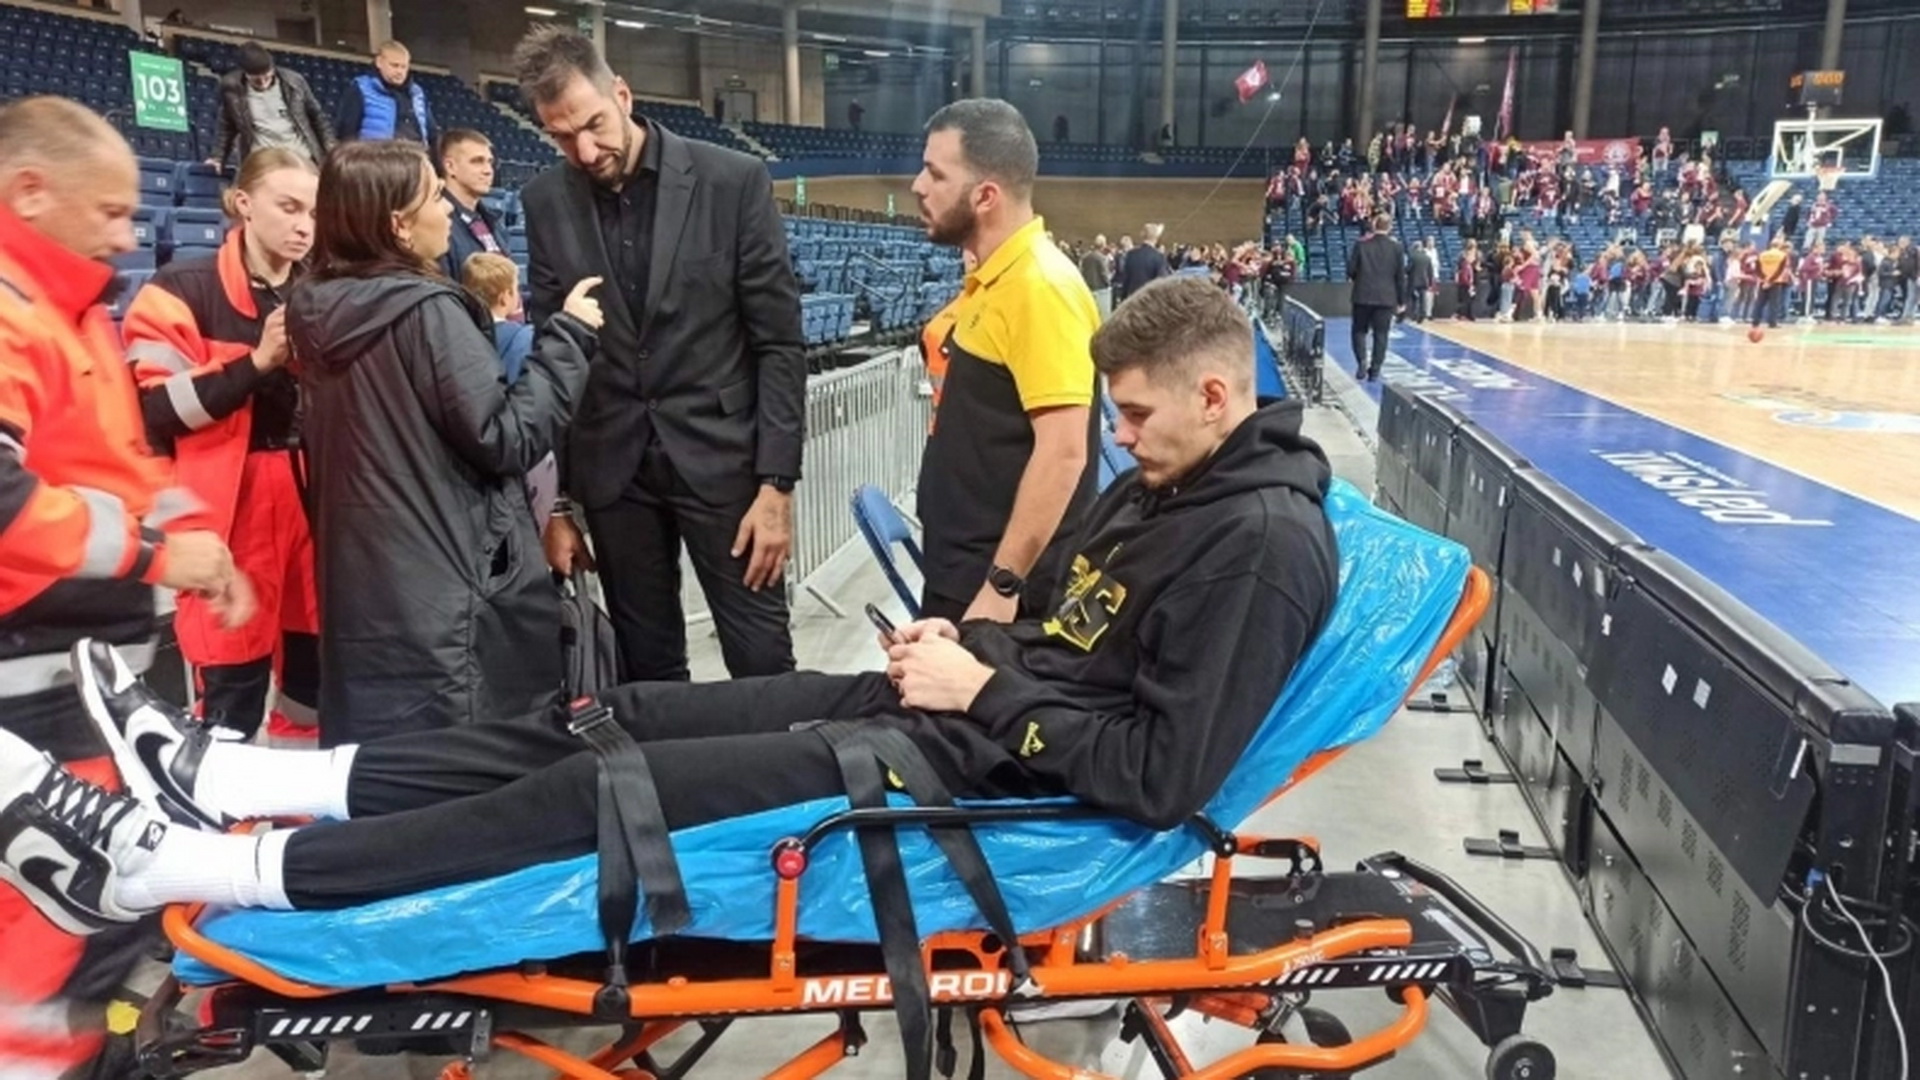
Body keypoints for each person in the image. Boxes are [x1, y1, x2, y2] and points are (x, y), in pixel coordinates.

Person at [0, 275, 1337, 968]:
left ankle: (193, 864)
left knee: (605, 794)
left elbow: (1162, 778)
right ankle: (248, 781)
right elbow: (1065, 652)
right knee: (612, 715)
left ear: (1218, 398)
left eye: (1138, 416)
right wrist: (964, 653)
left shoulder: (1261, 546)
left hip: (979, 778)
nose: (1119, 436)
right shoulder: (1169, 488)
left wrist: (982, 692)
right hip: (946, 721)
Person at [0, 95, 250, 1079]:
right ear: (30, 191)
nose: (125, 233)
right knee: (68, 906)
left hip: (91, 673)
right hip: (33, 675)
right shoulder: (13, 313)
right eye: (108, 211)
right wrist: (155, 558)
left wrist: (195, 543)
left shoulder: (72, 314)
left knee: (107, 903)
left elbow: (120, 470)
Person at [284, 139, 604, 745]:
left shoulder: (314, 309)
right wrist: (569, 338)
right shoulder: (428, 312)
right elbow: (505, 436)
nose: (446, 211)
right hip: (450, 604)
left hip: (368, 603)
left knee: (393, 771)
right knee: (468, 772)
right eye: (434, 197)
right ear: (398, 225)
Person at [514, 27, 806, 683]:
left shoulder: (732, 180)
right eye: (562, 137)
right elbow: (554, 358)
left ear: (622, 94)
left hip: (726, 465)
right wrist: (555, 506)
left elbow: (779, 343)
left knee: (763, 664)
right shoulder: (544, 202)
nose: (585, 151)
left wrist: (777, 485)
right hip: (614, 474)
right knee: (647, 673)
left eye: (593, 124)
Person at [121, 147, 320, 741]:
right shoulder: (180, 288)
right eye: (288, 207)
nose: (304, 225)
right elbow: (156, 410)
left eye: (314, 212)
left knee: (313, 673)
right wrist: (257, 363)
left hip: (315, 496)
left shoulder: (322, 291)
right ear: (243, 204)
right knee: (232, 677)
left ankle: (301, 789)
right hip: (229, 506)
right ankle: (223, 791)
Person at [909, 99, 1099, 623]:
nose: (918, 186)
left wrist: (1002, 583)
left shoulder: (1040, 288)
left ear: (985, 196)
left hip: (997, 589)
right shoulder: (996, 280)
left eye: (935, 174)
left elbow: (1064, 454)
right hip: (961, 569)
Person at [206, 41, 332, 172]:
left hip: (301, 158)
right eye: (256, 80)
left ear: (273, 69)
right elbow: (226, 127)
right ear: (246, 74)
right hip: (263, 162)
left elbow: (317, 117)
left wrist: (330, 147)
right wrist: (217, 158)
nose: (263, 83)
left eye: (267, 77)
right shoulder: (232, 89)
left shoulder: (294, 82)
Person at [334, 40, 436, 149]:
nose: (400, 71)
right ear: (379, 62)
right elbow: (346, 133)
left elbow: (432, 134)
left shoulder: (417, 94)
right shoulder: (360, 89)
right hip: (375, 157)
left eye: (404, 67)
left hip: (415, 155)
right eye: (394, 65)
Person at [437, 128, 507, 280]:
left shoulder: (493, 221)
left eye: (490, 162)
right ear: (450, 166)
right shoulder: (436, 224)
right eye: (477, 161)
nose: (488, 171)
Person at [1348, 213, 1405, 381]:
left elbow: (1350, 270)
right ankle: (1375, 370)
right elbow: (1400, 277)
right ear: (1390, 227)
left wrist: (1360, 277)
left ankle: (1361, 362)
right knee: (1381, 335)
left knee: (1359, 331)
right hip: (1386, 298)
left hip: (1362, 296)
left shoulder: (1361, 245)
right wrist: (1401, 301)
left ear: (1374, 225)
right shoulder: (1397, 248)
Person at [1114, 221, 1171, 303]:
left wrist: (1123, 299)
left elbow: (1126, 280)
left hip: (1132, 300)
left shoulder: (1131, 255)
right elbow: (1161, 283)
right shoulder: (1159, 257)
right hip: (1150, 301)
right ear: (1156, 238)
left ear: (1142, 236)